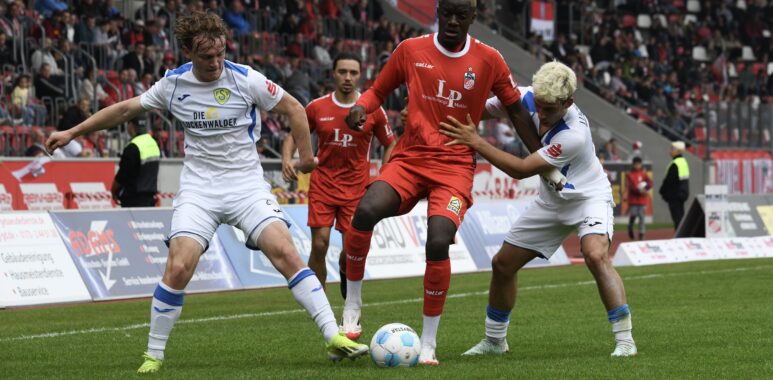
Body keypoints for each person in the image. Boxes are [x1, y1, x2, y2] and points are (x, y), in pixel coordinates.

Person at [45, 12, 368, 374]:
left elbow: (293, 107)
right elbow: (124, 109)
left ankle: (333, 337)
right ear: (187, 52)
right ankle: (153, 355)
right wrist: (72, 132)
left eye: (219, 54)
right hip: (200, 189)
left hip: (245, 185)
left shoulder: (246, 79)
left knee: (285, 252)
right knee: (180, 265)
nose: (215, 63)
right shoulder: (173, 84)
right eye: (205, 57)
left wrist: (307, 157)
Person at [340, 0, 564, 365]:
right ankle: (352, 305)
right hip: (410, 159)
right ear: (438, 13)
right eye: (448, 15)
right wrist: (362, 108)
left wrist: (544, 162)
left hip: (455, 167)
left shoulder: (489, 59)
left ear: (473, 18)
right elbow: (377, 91)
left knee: (439, 239)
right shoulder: (410, 50)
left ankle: (427, 344)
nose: (454, 23)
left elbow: (516, 111)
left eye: (462, 16)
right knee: (364, 211)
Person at [438, 61, 637, 358]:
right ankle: (495, 341)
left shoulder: (574, 134)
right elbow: (477, 111)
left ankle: (625, 340)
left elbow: (519, 170)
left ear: (568, 102)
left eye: (549, 110)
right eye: (539, 107)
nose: (541, 114)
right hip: (551, 200)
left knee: (595, 255)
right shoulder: (526, 97)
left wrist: (476, 141)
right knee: (502, 264)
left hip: (588, 198)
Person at [282, 52, 396, 300]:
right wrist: (287, 158)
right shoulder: (316, 107)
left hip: (356, 190)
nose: (347, 77)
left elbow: (390, 143)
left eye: (353, 73)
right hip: (323, 185)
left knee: (350, 250)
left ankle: (346, 271)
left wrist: (386, 174)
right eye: (342, 72)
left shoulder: (373, 109)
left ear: (360, 76)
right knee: (320, 244)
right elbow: (293, 135)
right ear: (333, 74)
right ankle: (318, 302)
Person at [112, 117, 160, 207]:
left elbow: (122, 175)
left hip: (133, 199)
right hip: (150, 199)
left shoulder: (133, 147)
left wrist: (113, 190)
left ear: (130, 126)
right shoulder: (153, 143)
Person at [659, 141, 690, 228]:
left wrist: (662, 191)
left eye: (672, 149)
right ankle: (682, 236)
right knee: (681, 217)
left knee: (677, 219)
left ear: (678, 151)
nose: (670, 151)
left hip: (675, 194)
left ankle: (679, 237)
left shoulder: (675, 164)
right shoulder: (683, 162)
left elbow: (669, 180)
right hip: (682, 193)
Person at [626, 156, 652, 240]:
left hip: (642, 200)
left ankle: (641, 234)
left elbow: (650, 183)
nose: (637, 166)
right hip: (633, 200)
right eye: (636, 164)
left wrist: (646, 188)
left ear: (641, 165)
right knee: (633, 215)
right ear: (633, 165)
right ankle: (630, 226)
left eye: (639, 164)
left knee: (641, 217)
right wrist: (639, 190)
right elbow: (631, 186)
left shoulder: (643, 174)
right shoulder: (630, 174)